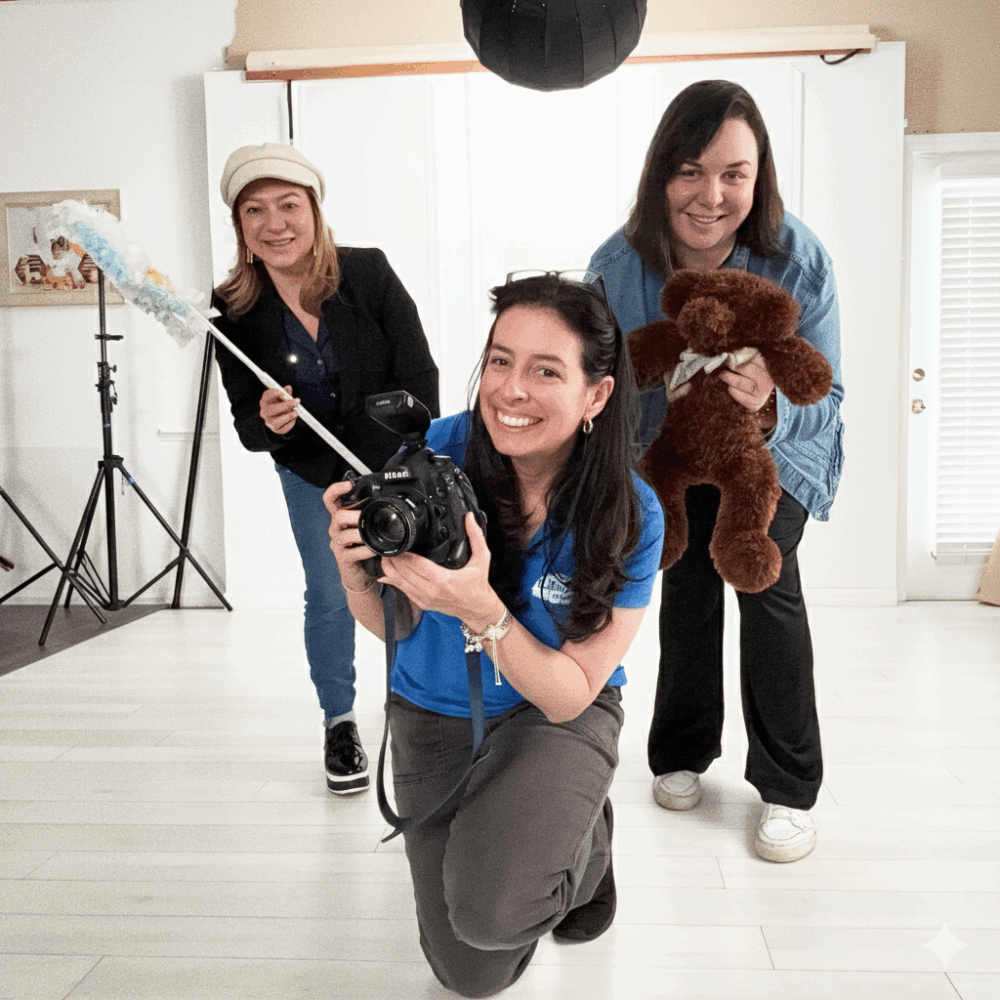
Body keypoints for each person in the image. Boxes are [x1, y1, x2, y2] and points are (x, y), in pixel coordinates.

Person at [324, 272, 664, 997]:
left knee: (491, 912)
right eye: (501, 361)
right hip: (429, 709)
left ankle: (584, 835)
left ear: (596, 394)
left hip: (550, 713)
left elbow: (572, 692)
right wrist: (355, 570)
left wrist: (481, 610)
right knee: (472, 973)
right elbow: (391, 622)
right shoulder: (431, 457)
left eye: (547, 371)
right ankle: (549, 830)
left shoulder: (630, 512)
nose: (511, 390)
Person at [589, 80, 844, 863]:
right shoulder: (617, 263)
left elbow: (829, 395)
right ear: (661, 173)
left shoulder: (798, 258)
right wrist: (647, 398)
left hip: (772, 457)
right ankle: (680, 753)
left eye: (734, 173)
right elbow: (596, 392)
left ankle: (789, 788)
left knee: (765, 586)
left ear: (758, 177)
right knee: (687, 587)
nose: (711, 195)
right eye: (691, 171)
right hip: (666, 454)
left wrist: (771, 406)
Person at [213, 143, 439, 795]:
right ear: (240, 226)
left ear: (315, 212)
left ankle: (420, 702)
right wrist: (269, 421)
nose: (275, 222)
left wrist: (393, 458)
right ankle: (340, 721)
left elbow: (420, 375)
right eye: (255, 209)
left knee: (411, 579)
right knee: (333, 593)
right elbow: (248, 427)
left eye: (289, 205)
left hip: (392, 463)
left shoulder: (367, 273)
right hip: (311, 475)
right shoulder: (231, 309)